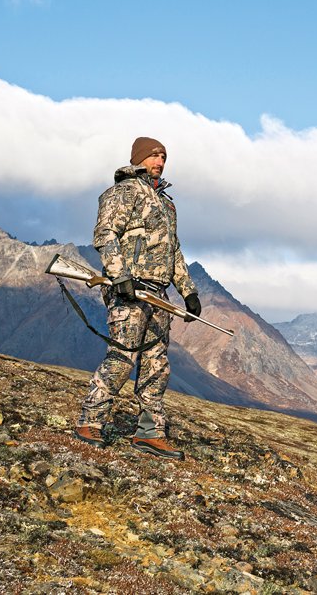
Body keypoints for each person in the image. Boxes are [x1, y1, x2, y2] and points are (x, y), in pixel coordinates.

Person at [73, 136, 201, 460]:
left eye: (163, 156)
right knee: (122, 358)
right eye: (154, 155)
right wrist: (120, 276)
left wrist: (188, 291)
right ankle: (90, 422)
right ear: (139, 159)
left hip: (159, 296)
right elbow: (104, 235)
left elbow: (174, 251)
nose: (159, 161)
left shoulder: (167, 204)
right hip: (129, 294)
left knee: (157, 365)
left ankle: (150, 433)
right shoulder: (122, 192)